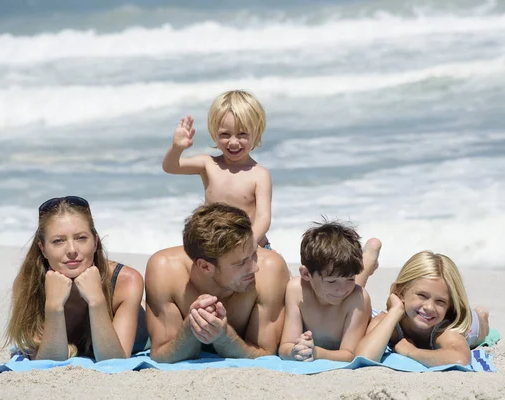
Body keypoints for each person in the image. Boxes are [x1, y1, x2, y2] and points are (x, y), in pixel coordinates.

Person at [5, 196, 149, 361]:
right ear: (43, 249)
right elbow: (48, 360)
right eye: (58, 241)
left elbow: (114, 360)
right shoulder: (29, 284)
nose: (72, 250)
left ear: (95, 242)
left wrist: (96, 300)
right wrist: (54, 306)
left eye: (81, 238)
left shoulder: (126, 281)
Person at [145, 202, 289, 363]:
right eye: (240, 263)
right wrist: (191, 329)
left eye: (254, 253)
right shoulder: (165, 270)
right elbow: (161, 355)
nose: (255, 267)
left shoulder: (270, 270)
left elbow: (265, 354)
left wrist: (224, 337)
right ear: (205, 266)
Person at [162, 90, 274, 249]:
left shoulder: (259, 174)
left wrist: (245, 246)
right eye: (225, 134)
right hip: (216, 249)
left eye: (242, 134)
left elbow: (263, 218)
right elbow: (170, 167)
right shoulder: (208, 164)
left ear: (256, 133)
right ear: (214, 134)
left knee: (278, 269)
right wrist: (176, 148)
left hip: (252, 245)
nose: (233, 142)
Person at [355, 250, 490, 367]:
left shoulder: (445, 329)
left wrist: (412, 352)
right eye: (422, 295)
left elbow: (460, 359)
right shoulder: (386, 320)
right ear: (400, 292)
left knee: (482, 326)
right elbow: (365, 356)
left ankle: (482, 315)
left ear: (450, 305)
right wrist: (395, 311)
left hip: (471, 324)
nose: (429, 307)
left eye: (440, 301)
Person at [278, 220, 372, 362]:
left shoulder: (358, 298)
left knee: (358, 289)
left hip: (364, 311)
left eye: (351, 278)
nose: (342, 288)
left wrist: (317, 353)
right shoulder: (296, 290)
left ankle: (370, 257)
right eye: (331, 281)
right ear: (306, 274)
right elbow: (285, 346)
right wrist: (294, 350)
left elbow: (350, 354)